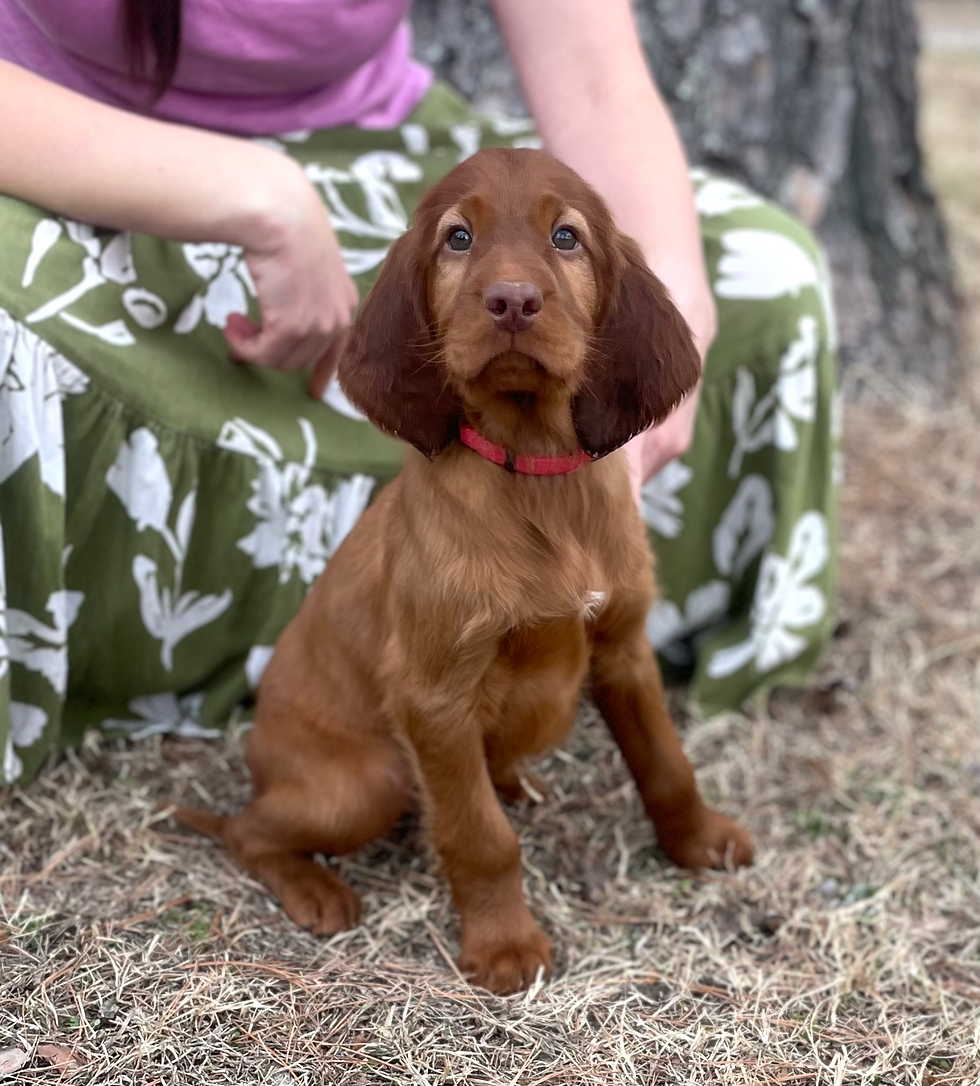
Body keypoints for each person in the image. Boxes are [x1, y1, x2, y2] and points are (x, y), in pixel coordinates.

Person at [0, 0, 839, 785]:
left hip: (374, 153)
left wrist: (668, 318)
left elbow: (596, 84)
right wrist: (256, 194)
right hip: (61, 151)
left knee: (771, 279)